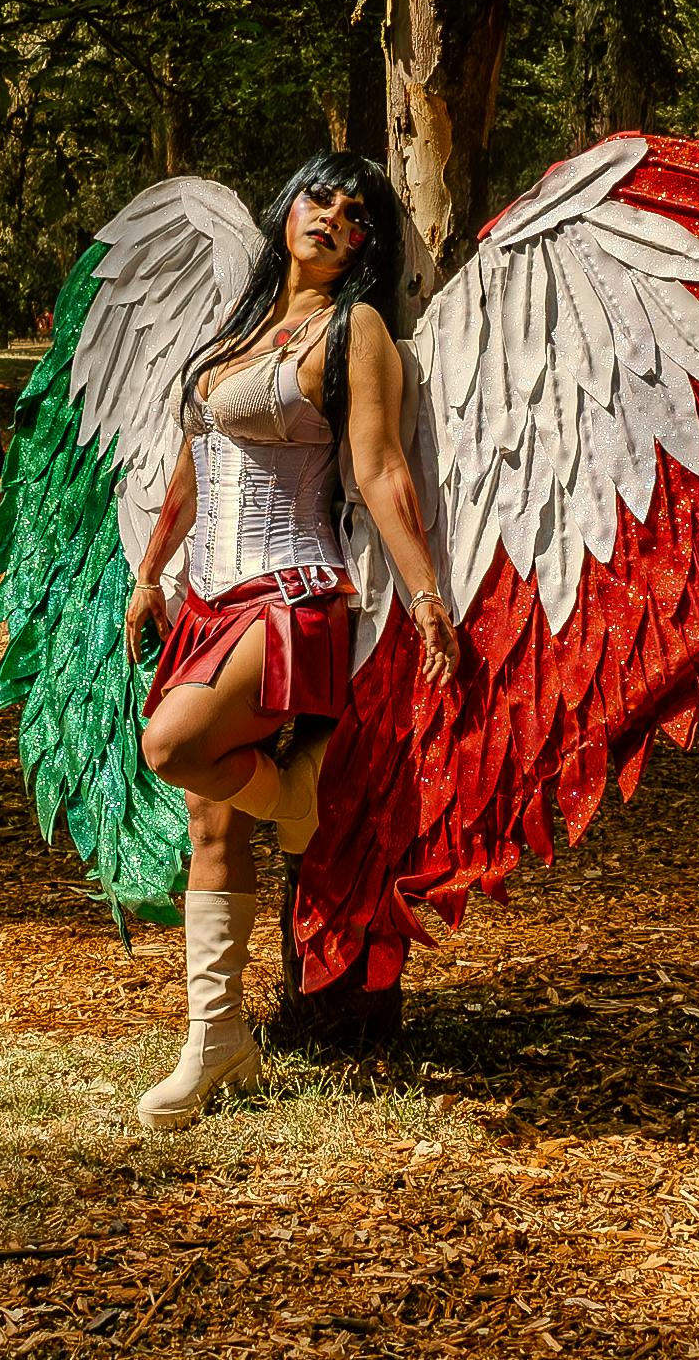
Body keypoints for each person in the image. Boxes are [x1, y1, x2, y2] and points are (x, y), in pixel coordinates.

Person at [120, 150, 458, 1127]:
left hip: (293, 595)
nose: (332, 215)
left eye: (355, 213)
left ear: (365, 244)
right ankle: (215, 1038)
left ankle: (296, 789)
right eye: (317, 194)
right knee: (209, 821)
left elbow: (384, 468)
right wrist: (151, 573)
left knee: (172, 744)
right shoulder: (236, 324)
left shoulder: (356, 332)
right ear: (287, 205)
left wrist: (427, 593)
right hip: (206, 599)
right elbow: (190, 466)